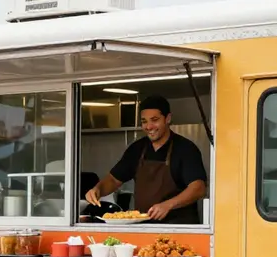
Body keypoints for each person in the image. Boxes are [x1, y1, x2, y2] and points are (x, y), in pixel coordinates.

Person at [86, 95, 207, 224]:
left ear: (168, 119)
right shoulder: (137, 149)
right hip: (144, 227)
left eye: (154, 120)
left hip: (178, 227)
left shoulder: (185, 149)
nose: (149, 126)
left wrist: (168, 205)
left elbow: (198, 188)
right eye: (144, 121)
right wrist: (98, 189)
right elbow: (114, 179)